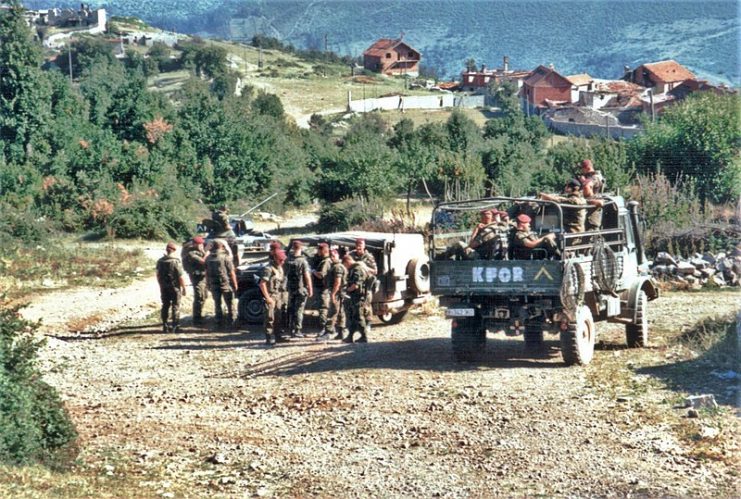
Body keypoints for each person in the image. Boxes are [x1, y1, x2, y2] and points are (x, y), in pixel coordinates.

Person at [259, 249, 289, 345]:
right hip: (271, 295)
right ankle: (268, 338)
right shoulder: (268, 269)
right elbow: (262, 284)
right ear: (275, 258)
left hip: (278, 295)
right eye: (280, 260)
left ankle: (278, 336)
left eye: (283, 260)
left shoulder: (280, 268)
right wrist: (268, 298)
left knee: (278, 317)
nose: (282, 262)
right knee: (269, 317)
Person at [206, 239, 238, 328]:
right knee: (230, 303)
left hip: (213, 283)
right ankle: (232, 322)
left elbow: (206, 272)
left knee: (217, 303)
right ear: (221, 247)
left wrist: (208, 284)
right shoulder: (225, 257)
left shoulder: (208, 258)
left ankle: (218, 322)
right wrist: (235, 284)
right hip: (225, 283)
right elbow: (232, 272)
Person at [156, 242, 186, 333]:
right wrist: (184, 287)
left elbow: (157, 275)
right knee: (175, 306)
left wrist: (160, 285)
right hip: (174, 287)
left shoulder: (160, 261)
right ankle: (175, 326)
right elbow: (180, 277)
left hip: (164, 287)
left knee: (165, 305)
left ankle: (165, 325)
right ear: (174, 250)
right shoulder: (176, 261)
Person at [285, 240, 313, 338]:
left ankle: (291, 329)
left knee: (291, 308)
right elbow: (307, 276)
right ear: (301, 248)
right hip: (300, 289)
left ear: (292, 248)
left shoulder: (288, 260)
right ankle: (297, 329)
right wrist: (310, 289)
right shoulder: (303, 261)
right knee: (299, 310)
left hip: (290, 288)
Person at [342, 254, 371, 343]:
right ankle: (350, 336)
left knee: (358, 316)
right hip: (355, 297)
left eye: (345, 265)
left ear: (347, 261)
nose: (345, 267)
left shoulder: (357, 269)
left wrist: (347, 290)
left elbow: (356, 285)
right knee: (353, 316)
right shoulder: (355, 268)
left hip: (358, 297)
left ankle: (364, 336)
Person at [312, 243, 333, 339]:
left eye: (319, 250)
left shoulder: (326, 262)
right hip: (321, 288)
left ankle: (325, 329)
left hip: (323, 289)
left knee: (323, 309)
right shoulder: (322, 260)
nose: (317, 252)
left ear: (323, 250)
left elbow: (321, 275)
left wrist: (313, 271)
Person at [184, 236, 208, 325]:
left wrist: (204, 251)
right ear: (195, 244)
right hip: (196, 278)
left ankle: (199, 315)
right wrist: (207, 252)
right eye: (200, 244)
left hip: (203, 277)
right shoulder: (191, 253)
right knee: (199, 297)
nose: (201, 245)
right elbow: (203, 261)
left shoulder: (200, 252)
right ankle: (196, 319)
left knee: (204, 296)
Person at [578, 159, 606, 231]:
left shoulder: (594, 177)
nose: (581, 171)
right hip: (592, 209)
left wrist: (583, 182)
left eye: (582, 169)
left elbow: (587, 186)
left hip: (593, 211)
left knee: (591, 234)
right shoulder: (595, 177)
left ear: (588, 168)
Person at [327, 248, 348, 340]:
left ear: (338, 256)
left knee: (334, 312)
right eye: (331, 256)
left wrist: (333, 294)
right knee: (340, 313)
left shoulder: (337, 267)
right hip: (340, 292)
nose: (332, 258)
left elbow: (337, 282)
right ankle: (341, 333)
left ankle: (328, 331)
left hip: (338, 292)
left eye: (334, 256)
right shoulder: (337, 266)